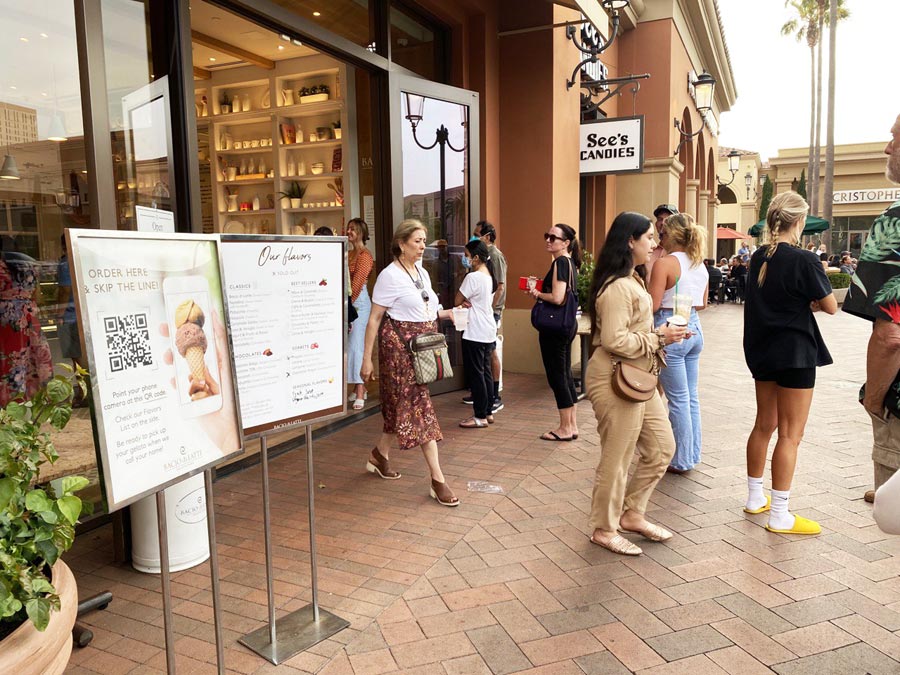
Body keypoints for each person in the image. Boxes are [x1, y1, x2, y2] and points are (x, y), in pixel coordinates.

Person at [584, 212, 686, 555]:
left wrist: (658, 343)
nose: (654, 243)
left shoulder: (633, 279)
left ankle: (632, 513)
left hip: (638, 377)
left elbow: (635, 334)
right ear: (630, 241)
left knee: (661, 447)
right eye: (648, 238)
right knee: (618, 456)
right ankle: (603, 527)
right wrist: (658, 338)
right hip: (615, 377)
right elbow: (613, 340)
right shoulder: (617, 287)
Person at [743, 191, 837, 535]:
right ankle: (780, 513)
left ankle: (755, 498)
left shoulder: (757, 257)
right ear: (798, 222)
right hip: (795, 352)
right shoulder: (805, 259)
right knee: (791, 434)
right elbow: (831, 306)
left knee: (763, 424)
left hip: (762, 350)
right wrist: (809, 301)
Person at [360, 219, 459, 506]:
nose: (422, 245)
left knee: (397, 406)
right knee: (419, 408)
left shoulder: (422, 273)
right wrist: (367, 360)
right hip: (398, 350)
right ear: (401, 244)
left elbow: (426, 308)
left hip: (421, 348)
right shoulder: (389, 276)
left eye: (424, 240)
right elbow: (375, 319)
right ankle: (438, 479)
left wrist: (447, 313)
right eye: (417, 240)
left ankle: (379, 456)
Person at [843, 113, 900, 503]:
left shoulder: (894, 223)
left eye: (896, 138)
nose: (887, 147)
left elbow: (890, 334)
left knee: (893, 514)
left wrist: (875, 399)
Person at [649, 213, 709, 473]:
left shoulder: (665, 264)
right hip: (694, 327)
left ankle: (681, 460)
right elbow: (702, 304)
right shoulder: (700, 264)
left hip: (670, 327)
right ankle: (691, 454)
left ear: (670, 236)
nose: (659, 240)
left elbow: (651, 305)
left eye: (661, 235)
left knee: (678, 399)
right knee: (690, 397)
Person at [528, 223, 582, 441]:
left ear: (566, 243)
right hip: (566, 326)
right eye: (547, 236)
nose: (548, 240)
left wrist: (537, 293)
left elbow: (558, 298)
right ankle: (572, 425)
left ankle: (565, 428)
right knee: (565, 374)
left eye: (553, 237)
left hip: (555, 328)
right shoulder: (570, 263)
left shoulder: (560, 262)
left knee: (557, 376)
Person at [0, 237, 53, 407]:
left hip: (7, 319)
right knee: (29, 357)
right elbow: (36, 293)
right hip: (29, 314)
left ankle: (12, 404)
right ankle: (31, 400)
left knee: (11, 360)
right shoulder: (30, 266)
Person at [456, 239, 498, 428]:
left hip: (475, 330)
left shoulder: (472, 278)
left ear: (476, 258)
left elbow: (458, 299)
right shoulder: (488, 276)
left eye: (466, 256)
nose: (464, 259)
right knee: (486, 371)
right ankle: (487, 411)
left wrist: (464, 301)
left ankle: (479, 416)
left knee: (477, 374)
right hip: (488, 328)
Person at [468, 220, 506, 412]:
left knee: (491, 352)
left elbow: (500, 286)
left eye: (477, 234)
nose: (474, 238)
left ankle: (494, 394)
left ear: (488, 237)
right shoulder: (481, 257)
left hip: (492, 312)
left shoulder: (495, 256)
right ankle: (480, 393)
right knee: (483, 354)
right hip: (482, 312)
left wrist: (489, 309)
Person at [346, 218, 374, 411]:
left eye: (353, 229)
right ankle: (357, 388)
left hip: (359, 302)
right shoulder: (348, 253)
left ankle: (361, 391)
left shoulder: (365, 255)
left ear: (361, 233)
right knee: (352, 344)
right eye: (348, 228)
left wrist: (348, 304)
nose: (349, 232)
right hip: (349, 301)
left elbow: (356, 284)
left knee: (357, 345)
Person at [645, 204, 678, 281]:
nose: (663, 223)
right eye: (660, 219)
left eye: (668, 219)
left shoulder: (684, 254)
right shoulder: (648, 252)